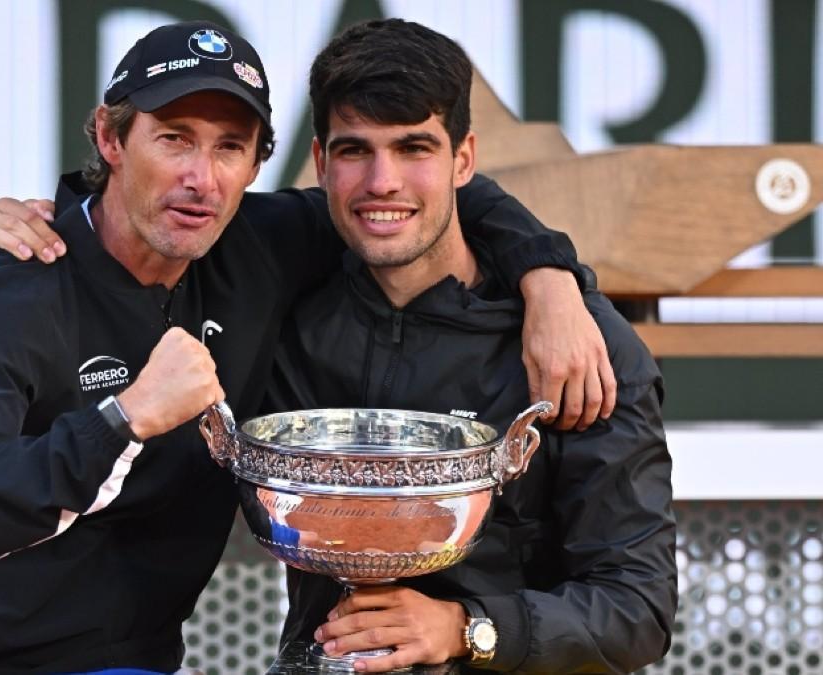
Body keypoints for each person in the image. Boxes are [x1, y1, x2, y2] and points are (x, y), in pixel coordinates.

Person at [0, 20, 613, 675]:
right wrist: (123, 419)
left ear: (257, 166)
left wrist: (550, 278)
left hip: (139, 660)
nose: (201, 178)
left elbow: (419, 193)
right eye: (174, 139)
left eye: (230, 147)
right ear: (109, 138)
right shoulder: (8, 286)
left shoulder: (255, 245)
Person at [262, 19, 676, 673]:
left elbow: (637, 609)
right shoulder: (282, 307)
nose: (382, 181)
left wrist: (467, 628)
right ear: (320, 161)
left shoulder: (578, 345)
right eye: (355, 151)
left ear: (463, 159)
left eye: (414, 148)